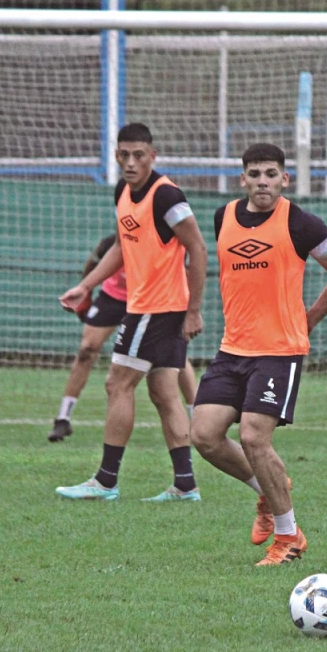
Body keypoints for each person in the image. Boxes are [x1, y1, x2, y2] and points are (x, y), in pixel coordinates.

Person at [190, 143, 327, 565]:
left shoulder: (301, 224)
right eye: (254, 173)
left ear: (285, 179)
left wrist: (308, 319)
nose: (262, 181)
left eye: (270, 174)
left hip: (279, 350)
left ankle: (288, 538)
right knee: (204, 436)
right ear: (242, 179)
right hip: (233, 348)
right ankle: (268, 492)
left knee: (252, 436)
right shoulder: (222, 218)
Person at [55, 123, 207, 502]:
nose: (130, 162)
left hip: (157, 308)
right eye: (123, 154)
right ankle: (185, 485)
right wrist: (86, 285)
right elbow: (122, 247)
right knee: (163, 393)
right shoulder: (123, 191)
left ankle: (105, 481)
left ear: (153, 156)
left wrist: (194, 311)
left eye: (139, 155)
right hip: (154, 308)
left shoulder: (166, 196)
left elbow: (199, 250)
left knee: (117, 384)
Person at [48, 233, 197, 443]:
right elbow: (94, 260)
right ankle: (63, 418)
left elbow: (189, 270)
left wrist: (189, 311)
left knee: (176, 359)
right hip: (114, 298)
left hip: (152, 302)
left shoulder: (169, 241)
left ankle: (197, 417)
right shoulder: (115, 241)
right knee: (87, 349)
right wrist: (85, 290)